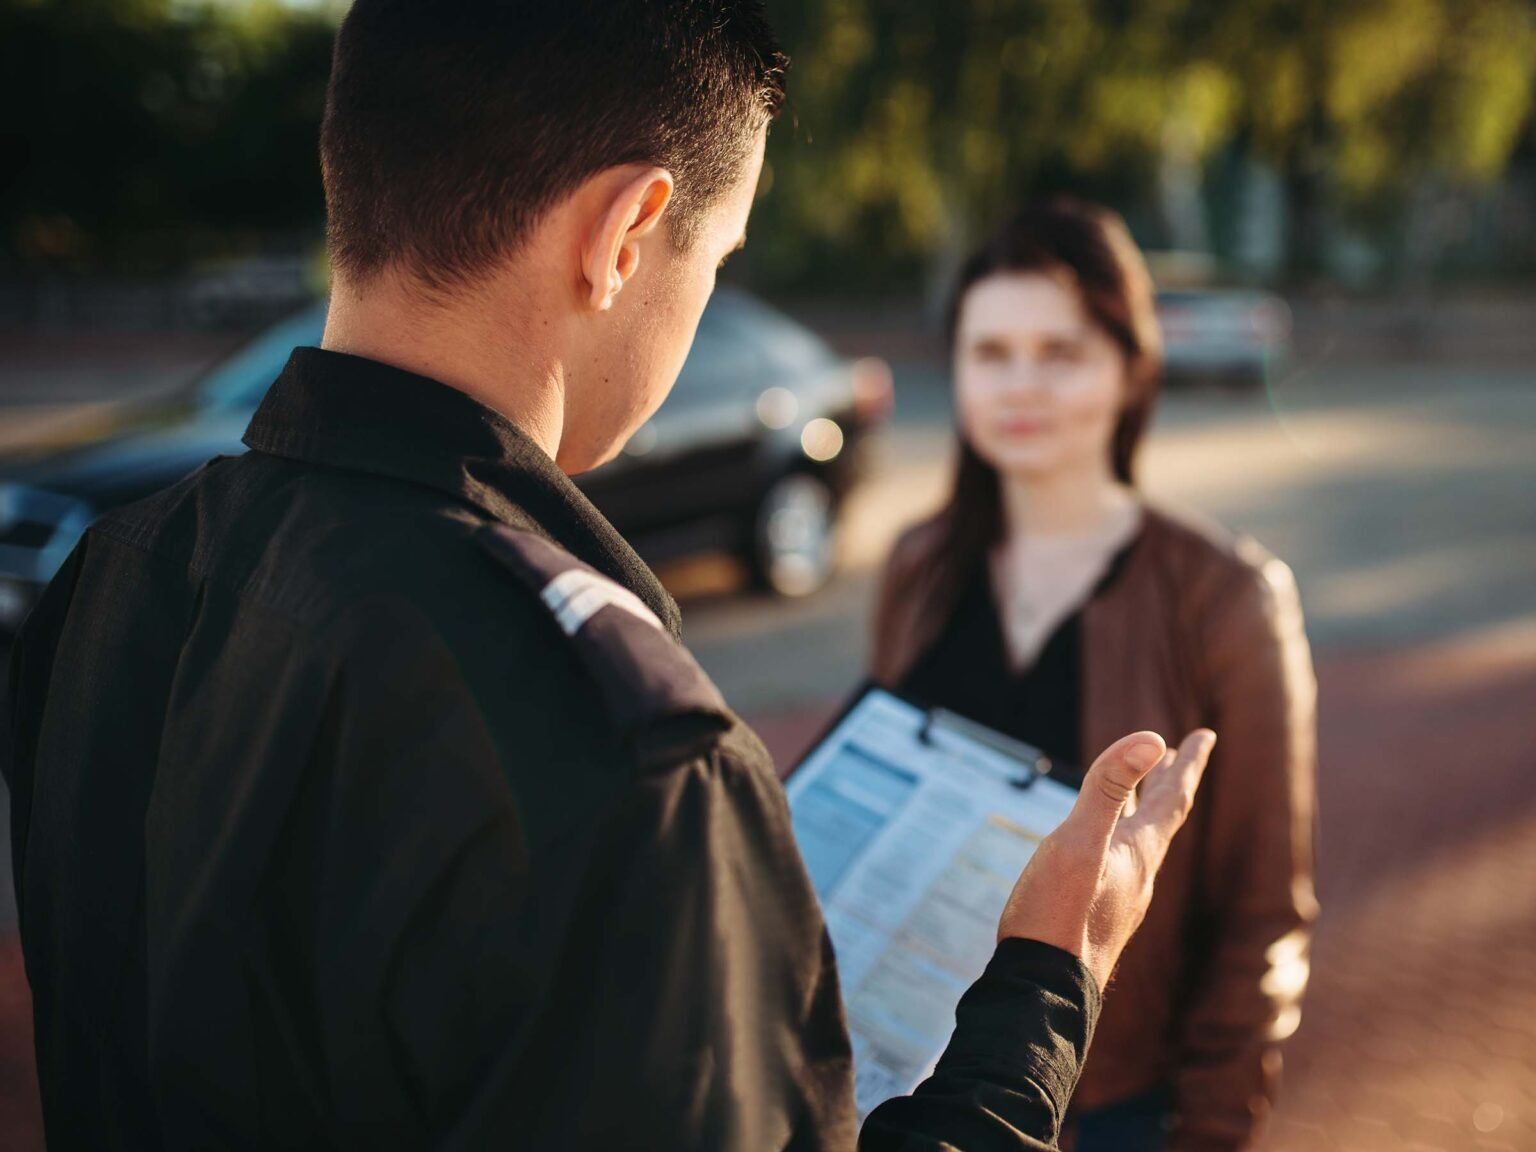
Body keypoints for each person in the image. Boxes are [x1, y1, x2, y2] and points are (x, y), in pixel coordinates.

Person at [4, 7, 1216, 1149]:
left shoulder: (114, 580)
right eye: (717, 258)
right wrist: (1051, 983)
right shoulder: (631, 759)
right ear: (627, 233)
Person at [871, 200, 1319, 1151]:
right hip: (910, 1079)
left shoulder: (1227, 597)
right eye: (991, 353)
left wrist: (1206, 1130)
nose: (1020, 384)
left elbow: (1262, 914)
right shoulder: (916, 565)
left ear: (1132, 368)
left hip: (1116, 1101)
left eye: (1060, 351)